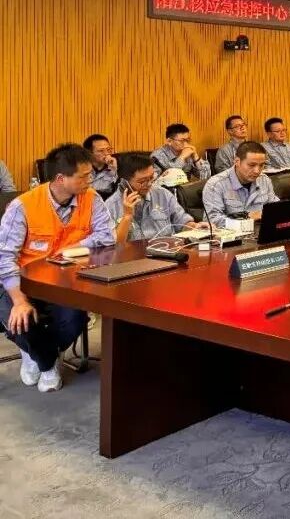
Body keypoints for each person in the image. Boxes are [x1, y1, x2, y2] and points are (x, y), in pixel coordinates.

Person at [0, 144, 115, 393]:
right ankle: (47, 362)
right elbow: (5, 257)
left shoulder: (92, 198)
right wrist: (19, 300)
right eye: (84, 176)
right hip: (22, 281)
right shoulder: (23, 206)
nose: (90, 180)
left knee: (75, 319)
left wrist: (71, 248)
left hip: (67, 280)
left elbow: (107, 237)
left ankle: (39, 355)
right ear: (61, 178)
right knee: (18, 318)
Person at [106, 153, 204, 243]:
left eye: (151, 178)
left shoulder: (163, 194)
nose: (149, 184)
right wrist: (127, 217)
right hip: (132, 255)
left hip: (166, 251)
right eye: (142, 181)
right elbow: (114, 245)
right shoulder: (111, 206)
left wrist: (195, 227)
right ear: (125, 181)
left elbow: (182, 223)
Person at [202, 141, 279, 226]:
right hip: (233, 233)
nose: (257, 171)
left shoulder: (264, 180)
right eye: (251, 165)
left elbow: (276, 209)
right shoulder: (216, 184)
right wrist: (246, 218)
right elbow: (212, 220)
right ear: (237, 161)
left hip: (261, 230)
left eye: (261, 165)